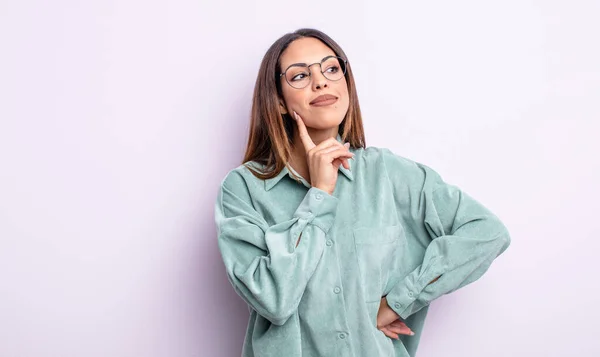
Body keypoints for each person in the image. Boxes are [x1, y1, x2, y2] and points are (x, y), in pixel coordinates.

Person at [214, 28, 511, 357]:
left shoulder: (388, 173)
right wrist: (320, 194)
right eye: (300, 75)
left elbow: (487, 232)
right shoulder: (243, 189)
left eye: (331, 69)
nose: (321, 82)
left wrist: (399, 301)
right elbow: (274, 301)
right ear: (280, 102)